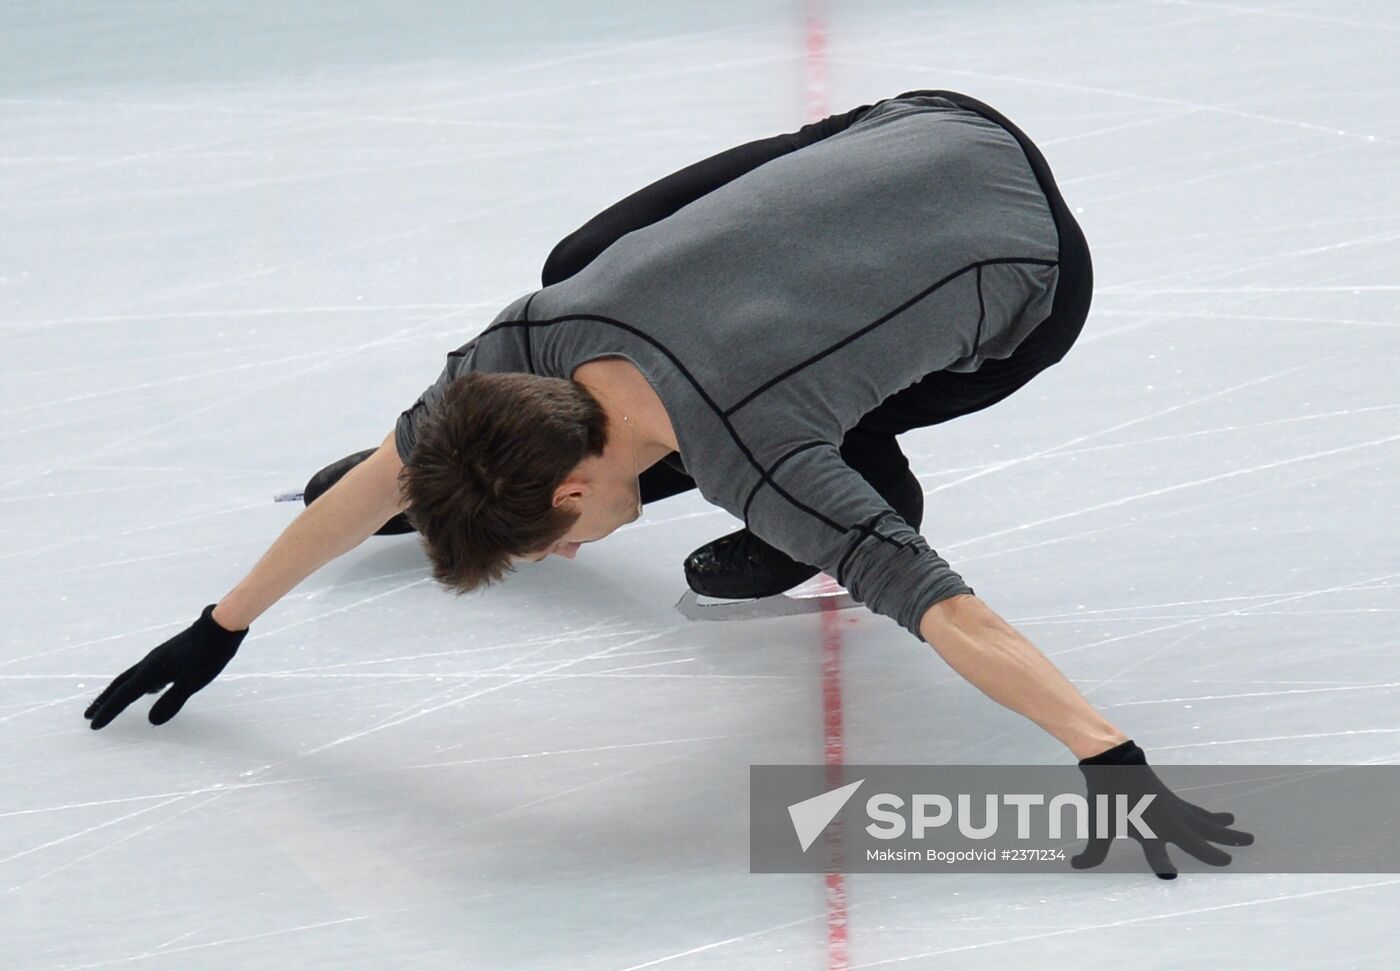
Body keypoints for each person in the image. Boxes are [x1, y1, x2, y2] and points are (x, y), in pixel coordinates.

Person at [83, 90, 1251, 877]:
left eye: (554, 542)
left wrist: (1106, 757)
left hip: (1028, 268)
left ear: (572, 483)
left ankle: (860, 488)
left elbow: (955, 612)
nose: (578, 556)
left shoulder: (759, 452)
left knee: (818, 460)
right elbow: (379, 472)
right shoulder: (511, 352)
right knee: (571, 268)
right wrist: (220, 622)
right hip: (909, 125)